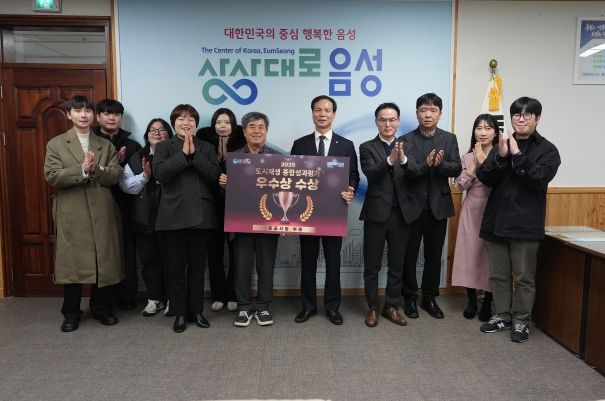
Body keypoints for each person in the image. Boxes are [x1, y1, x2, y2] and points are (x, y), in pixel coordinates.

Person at [477, 97, 560, 343]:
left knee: (524, 277)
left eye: (527, 115)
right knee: (498, 275)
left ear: (537, 118)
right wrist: (502, 157)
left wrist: (516, 155)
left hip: (525, 224)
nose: (520, 119)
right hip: (496, 221)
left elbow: (539, 178)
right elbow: (485, 178)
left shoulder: (548, 150)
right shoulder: (500, 145)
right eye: (516, 115)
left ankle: (521, 320)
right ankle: (502, 315)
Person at [44, 95, 124, 332]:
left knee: (103, 259)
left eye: (87, 110)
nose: (83, 114)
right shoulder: (56, 144)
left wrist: (96, 169)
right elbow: (52, 176)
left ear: (93, 116)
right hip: (72, 209)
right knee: (73, 262)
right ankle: (71, 313)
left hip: (102, 209)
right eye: (78, 110)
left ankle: (102, 308)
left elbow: (115, 175)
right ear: (69, 114)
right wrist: (80, 169)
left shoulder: (105, 145)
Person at [290, 95, 360, 325]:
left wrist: (350, 189)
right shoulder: (300, 144)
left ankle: (332, 307)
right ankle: (308, 306)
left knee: (333, 261)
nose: (322, 114)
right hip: (306, 213)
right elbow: (292, 176)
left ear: (334, 114)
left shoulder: (346, 144)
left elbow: (353, 175)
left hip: (334, 213)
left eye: (327, 110)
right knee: (308, 261)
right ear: (312, 114)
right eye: (318, 110)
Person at [153, 104, 220, 333]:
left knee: (198, 268)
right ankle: (179, 312)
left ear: (196, 123)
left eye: (191, 119)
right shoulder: (164, 147)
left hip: (202, 215)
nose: (186, 122)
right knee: (175, 268)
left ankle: (196, 311)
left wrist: (194, 155)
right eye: (181, 119)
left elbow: (213, 176)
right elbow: (161, 174)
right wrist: (183, 155)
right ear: (174, 123)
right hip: (173, 215)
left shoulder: (207, 147)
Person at [401, 93, 462, 319]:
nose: (428, 114)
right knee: (409, 255)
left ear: (440, 114)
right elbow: (408, 171)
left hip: (438, 206)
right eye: (423, 110)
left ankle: (429, 297)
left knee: (434, 256)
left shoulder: (449, 138)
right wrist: (427, 165)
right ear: (417, 113)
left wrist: (441, 165)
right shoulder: (406, 139)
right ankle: (409, 297)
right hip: (412, 206)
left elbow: (456, 168)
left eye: (433, 110)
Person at [219, 112, 280, 327]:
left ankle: (263, 306)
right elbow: (225, 195)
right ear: (244, 132)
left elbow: (285, 191)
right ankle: (244, 307)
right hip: (241, 222)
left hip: (268, 222)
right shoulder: (232, 158)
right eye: (252, 127)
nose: (256, 131)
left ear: (266, 131)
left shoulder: (278, 158)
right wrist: (223, 186)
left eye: (261, 127)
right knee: (241, 267)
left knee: (266, 266)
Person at [359, 103, 413, 327]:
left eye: (392, 119)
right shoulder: (366, 147)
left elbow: (415, 173)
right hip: (376, 213)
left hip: (401, 214)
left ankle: (391, 306)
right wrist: (390, 160)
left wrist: (405, 161)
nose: (388, 124)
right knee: (372, 265)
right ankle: (372, 307)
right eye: (383, 120)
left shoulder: (409, 145)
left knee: (397, 265)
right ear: (376, 122)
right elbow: (371, 173)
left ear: (398, 121)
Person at [119, 118, 173, 316]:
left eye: (161, 130)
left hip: (171, 219)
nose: (156, 133)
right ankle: (154, 299)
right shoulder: (137, 157)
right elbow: (126, 186)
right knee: (149, 261)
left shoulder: (175, 155)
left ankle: (172, 299)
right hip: (143, 219)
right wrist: (145, 177)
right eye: (152, 130)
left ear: (169, 134)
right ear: (146, 135)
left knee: (172, 262)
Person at [93, 98, 142, 311]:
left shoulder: (132, 145)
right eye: (107, 113)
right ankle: (104, 300)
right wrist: (115, 163)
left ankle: (127, 296)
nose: (112, 118)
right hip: (98, 203)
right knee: (103, 253)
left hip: (126, 205)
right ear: (98, 117)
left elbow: (139, 177)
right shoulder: (90, 142)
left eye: (116, 114)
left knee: (127, 251)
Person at [196, 108, 246, 313]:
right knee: (214, 252)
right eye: (219, 122)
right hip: (211, 204)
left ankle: (233, 294)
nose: (223, 126)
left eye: (227, 122)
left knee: (236, 252)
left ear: (233, 125)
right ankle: (218, 294)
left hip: (236, 205)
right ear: (213, 125)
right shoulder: (203, 143)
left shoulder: (242, 143)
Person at [451, 114, 499, 322]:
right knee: (469, 255)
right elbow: (460, 185)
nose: (483, 132)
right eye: (479, 128)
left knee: (490, 258)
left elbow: (499, 182)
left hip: (495, 210)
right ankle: (471, 302)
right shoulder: (467, 157)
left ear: (495, 133)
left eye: (488, 128)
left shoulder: (501, 154)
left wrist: (484, 160)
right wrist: (473, 166)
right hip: (471, 210)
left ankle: (487, 302)